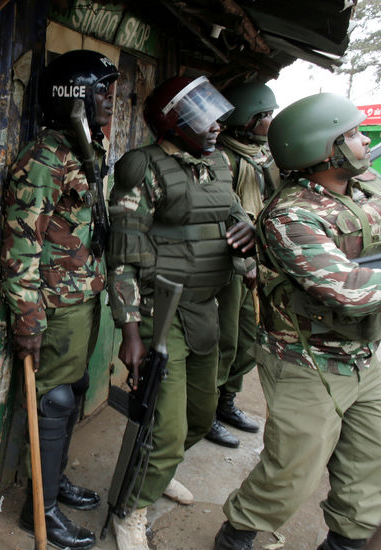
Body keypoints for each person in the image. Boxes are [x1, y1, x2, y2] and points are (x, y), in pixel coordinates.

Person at [214, 93, 381, 550]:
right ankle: (238, 533)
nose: (364, 141)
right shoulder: (290, 215)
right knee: (292, 469)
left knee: (369, 465)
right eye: (352, 135)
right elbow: (347, 289)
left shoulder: (365, 192)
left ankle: (346, 540)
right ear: (325, 150)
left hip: (366, 356)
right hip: (308, 363)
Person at [106, 75, 255, 550]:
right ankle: (130, 510)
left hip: (203, 312)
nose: (215, 124)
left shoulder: (218, 166)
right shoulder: (142, 168)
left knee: (199, 415)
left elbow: (234, 221)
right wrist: (130, 331)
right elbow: (123, 256)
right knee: (165, 429)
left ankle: (160, 469)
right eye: (201, 115)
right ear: (173, 123)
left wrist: (249, 239)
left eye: (214, 112)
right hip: (157, 315)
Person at [0, 49, 119, 550]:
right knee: (54, 400)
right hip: (52, 305)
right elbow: (20, 245)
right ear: (74, 96)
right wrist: (26, 316)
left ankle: (53, 483)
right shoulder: (44, 157)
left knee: (72, 393)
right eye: (102, 92)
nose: (112, 102)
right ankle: (38, 509)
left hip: (83, 299)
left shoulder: (83, 150)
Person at [205, 82, 280, 448]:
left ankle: (226, 403)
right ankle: (205, 414)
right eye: (264, 115)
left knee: (250, 341)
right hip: (230, 263)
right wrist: (244, 263)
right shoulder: (225, 158)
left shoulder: (263, 157)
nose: (270, 122)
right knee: (226, 340)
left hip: (257, 259)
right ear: (247, 120)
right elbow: (223, 213)